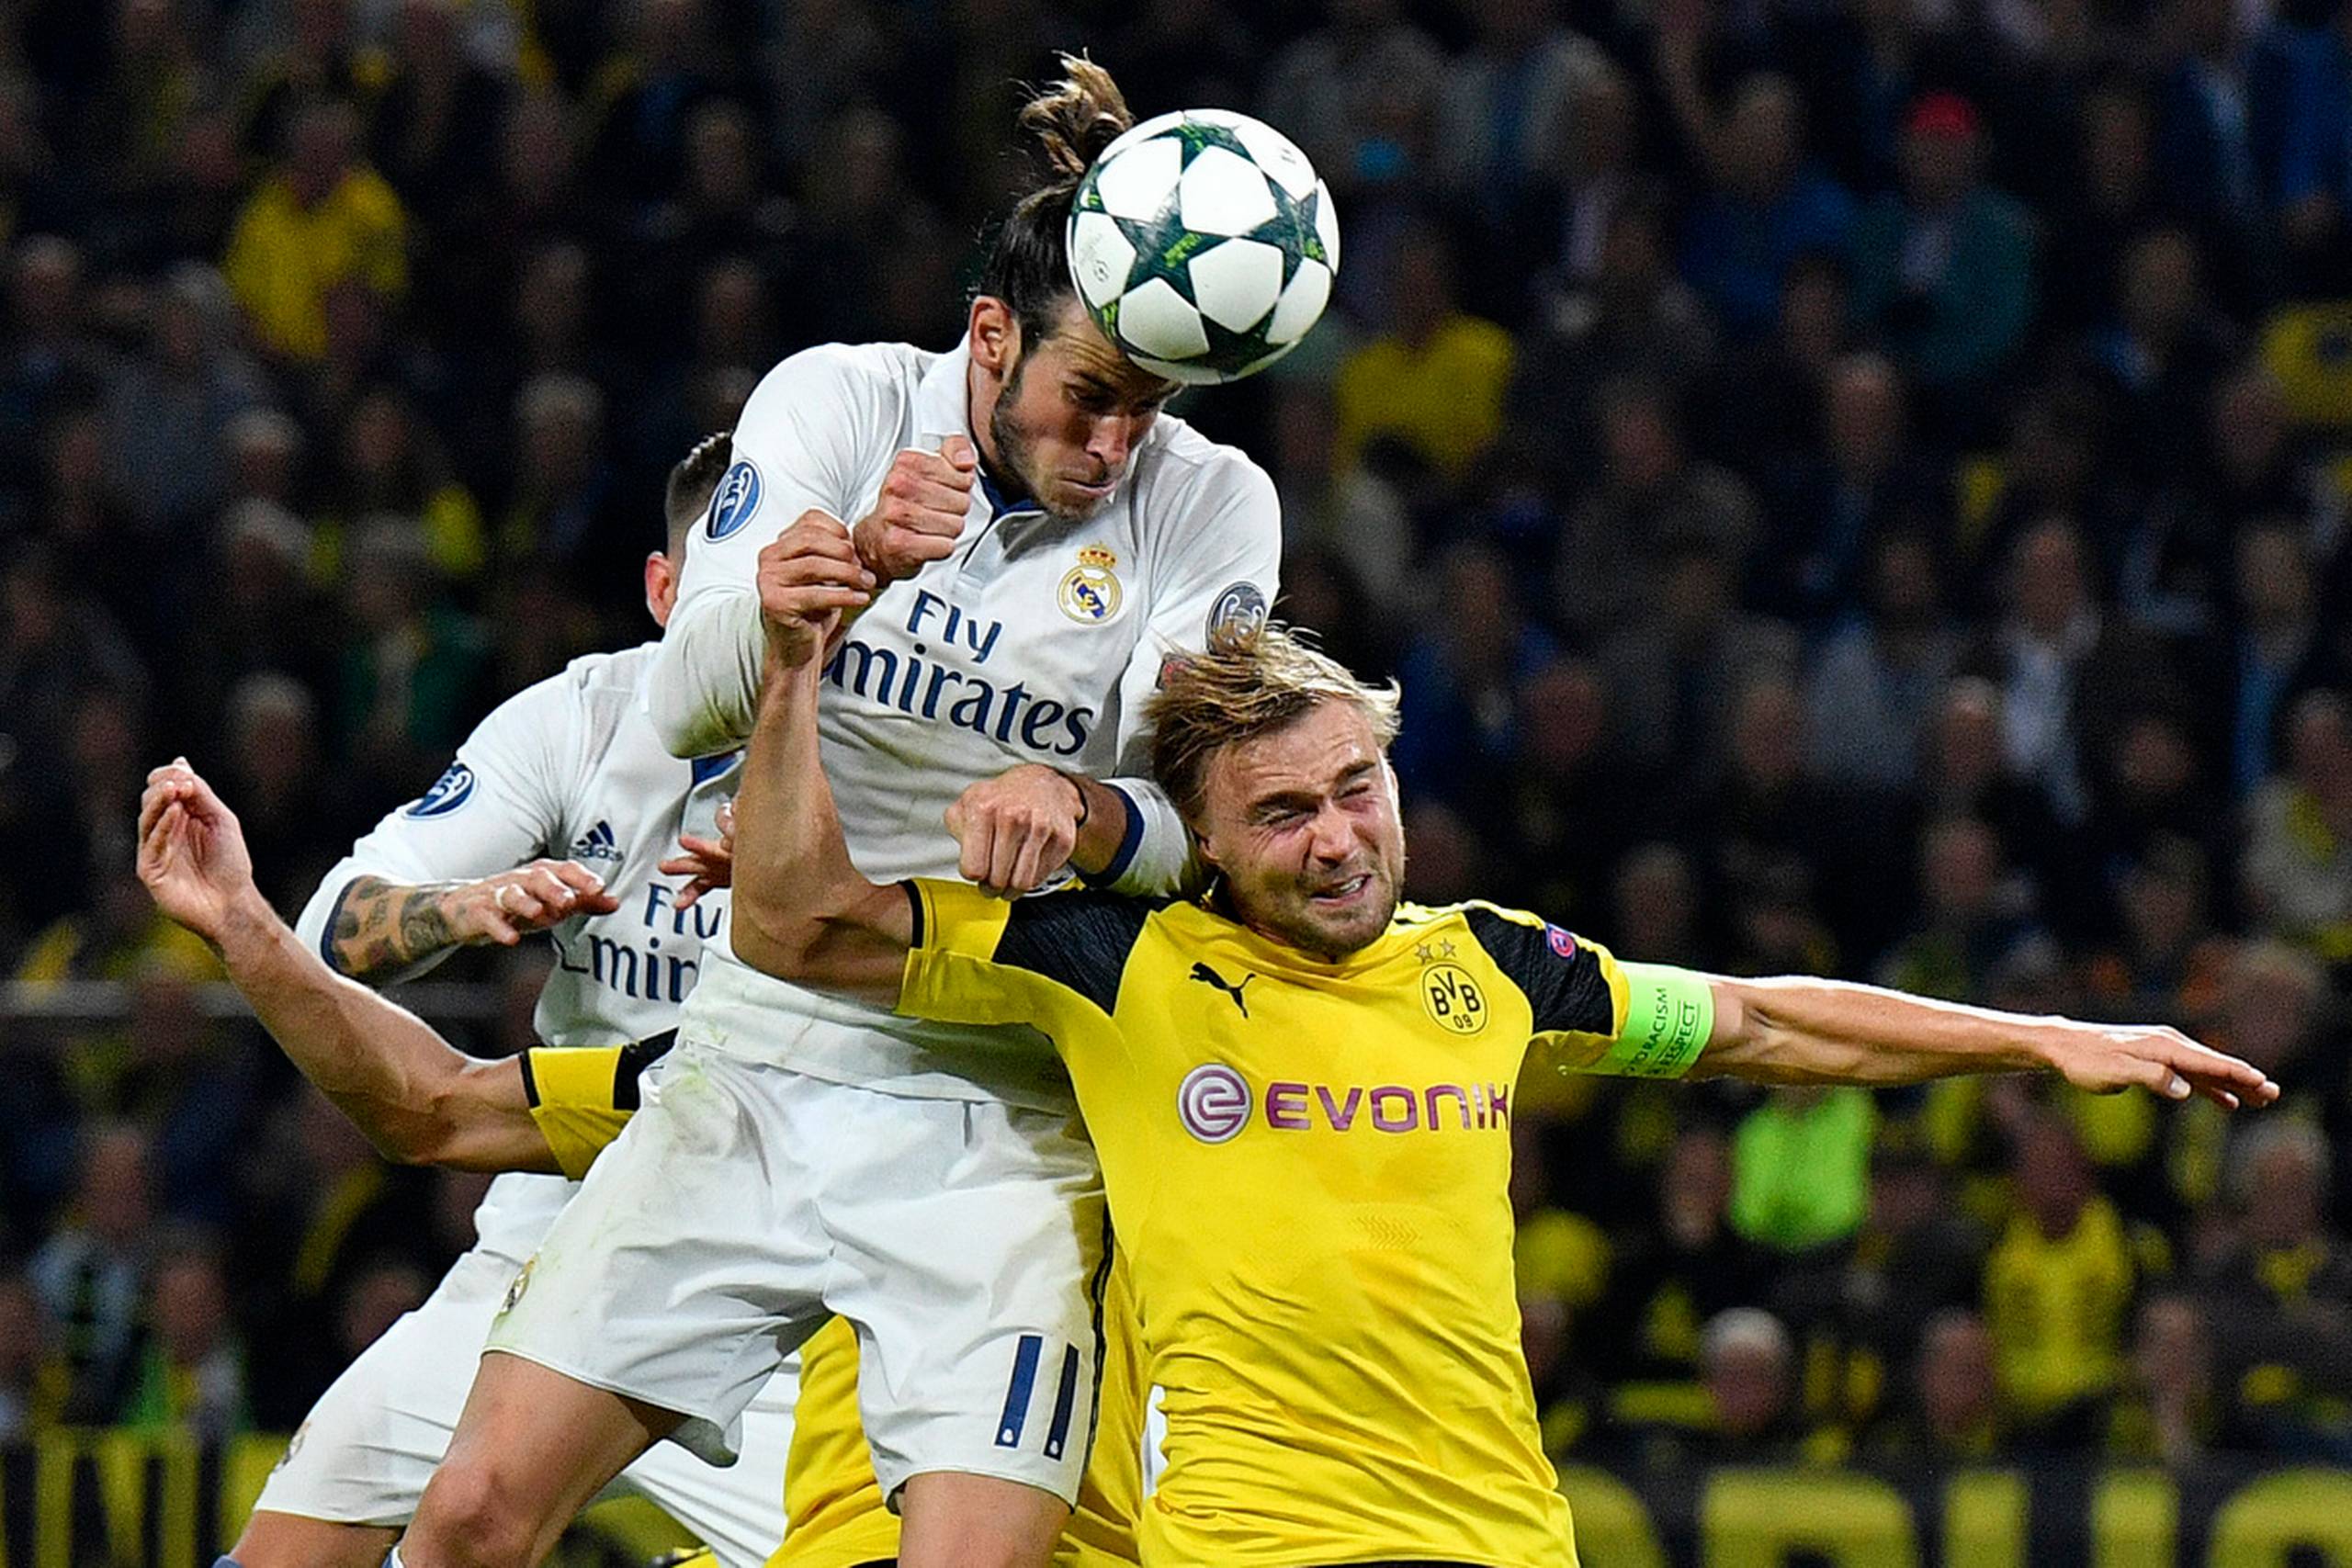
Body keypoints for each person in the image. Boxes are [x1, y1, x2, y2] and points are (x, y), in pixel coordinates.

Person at [722, 533, 2274, 1564]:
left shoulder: (1493, 964)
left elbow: (1761, 1017)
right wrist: (792, 671)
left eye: (1357, 789)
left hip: (1500, 1541)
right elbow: (796, 924)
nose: (1339, 838)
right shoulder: (1116, 960)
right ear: (1204, 843)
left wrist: (2047, 1039)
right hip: (1254, 1545)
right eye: (1284, 812)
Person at [398, 57, 1281, 1568]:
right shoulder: (840, 400)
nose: (1115, 446)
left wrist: (1084, 807)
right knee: (474, 1513)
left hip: (1005, 1096)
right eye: (1089, 398)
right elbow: (685, 704)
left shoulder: (1213, 503)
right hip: (763, 1050)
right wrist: (840, 576)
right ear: (990, 336)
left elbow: (1207, 825)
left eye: (1148, 409)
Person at [130, 757, 1145, 1568]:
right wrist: (239, 923)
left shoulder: (1100, 1057)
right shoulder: (728, 1094)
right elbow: (437, 1106)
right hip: (786, 1488)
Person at [227, 433, 793, 1568]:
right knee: (292, 1545)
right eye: (720, 592)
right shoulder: (578, 721)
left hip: (776, 1283)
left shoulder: (883, 750)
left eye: (775, 586)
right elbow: (332, 926)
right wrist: (460, 906)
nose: (748, 626)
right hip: (555, 1235)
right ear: (664, 591)